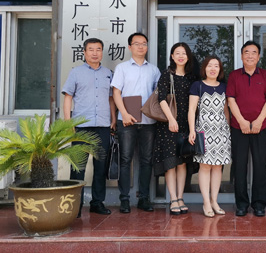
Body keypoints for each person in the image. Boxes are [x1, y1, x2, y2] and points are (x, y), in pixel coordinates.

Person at [61, 37, 115, 216]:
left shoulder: (108, 73)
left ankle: (97, 203)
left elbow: (111, 98)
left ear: (102, 52)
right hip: (81, 127)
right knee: (78, 167)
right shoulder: (76, 73)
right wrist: (68, 122)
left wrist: (113, 118)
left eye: (98, 49)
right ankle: (75, 206)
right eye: (91, 49)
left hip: (103, 125)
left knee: (101, 167)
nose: (94, 53)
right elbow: (68, 97)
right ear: (84, 52)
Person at [111, 32, 160, 213]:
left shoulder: (154, 70)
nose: (141, 46)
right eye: (137, 43)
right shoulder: (122, 68)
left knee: (147, 160)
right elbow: (116, 92)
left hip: (148, 121)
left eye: (144, 43)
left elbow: (158, 96)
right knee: (125, 160)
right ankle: (124, 199)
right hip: (126, 121)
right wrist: (123, 114)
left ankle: (144, 198)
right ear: (130, 47)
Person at [226, 40, 266, 217]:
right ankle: (241, 204)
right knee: (239, 166)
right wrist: (241, 121)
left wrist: (259, 121)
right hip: (238, 127)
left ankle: (259, 204)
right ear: (241, 56)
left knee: (260, 166)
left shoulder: (265, 75)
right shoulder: (234, 75)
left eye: (253, 52)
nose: (250, 56)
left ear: (259, 56)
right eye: (246, 52)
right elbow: (230, 99)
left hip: (261, 127)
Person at [152, 42, 196, 215]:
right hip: (168, 125)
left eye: (184, 53)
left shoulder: (192, 77)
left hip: (186, 124)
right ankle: (173, 199)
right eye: (177, 53)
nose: (180, 56)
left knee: (182, 162)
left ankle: (180, 197)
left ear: (188, 56)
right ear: (172, 56)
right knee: (170, 162)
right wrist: (171, 119)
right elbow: (161, 98)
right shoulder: (166, 75)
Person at [188, 56, 232, 218]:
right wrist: (192, 130)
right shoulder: (197, 86)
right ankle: (206, 202)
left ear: (220, 70)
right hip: (203, 130)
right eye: (210, 66)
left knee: (218, 166)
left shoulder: (224, 87)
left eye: (216, 66)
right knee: (205, 166)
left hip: (221, 131)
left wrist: (228, 130)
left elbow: (226, 110)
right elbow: (191, 110)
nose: (213, 69)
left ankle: (214, 201)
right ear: (204, 68)